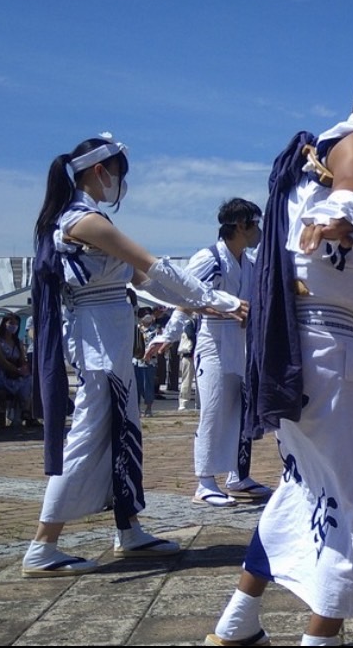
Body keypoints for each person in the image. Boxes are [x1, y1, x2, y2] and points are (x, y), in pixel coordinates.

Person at [206, 54, 353, 646]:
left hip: (305, 344)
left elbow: (341, 277)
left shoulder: (318, 153)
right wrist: (342, 209)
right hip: (329, 352)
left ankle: (237, 621)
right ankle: (320, 638)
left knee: (303, 489)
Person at [28, 134, 246, 579]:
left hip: (108, 342)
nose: (121, 184)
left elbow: (146, 280)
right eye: (119, 174)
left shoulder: (87, 221)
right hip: (98, 346)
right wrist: (219, 302)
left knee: (122, 437)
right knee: (90, 438)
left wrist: (207, 302)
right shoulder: (84, 222)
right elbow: (155, 265)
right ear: (99, 171)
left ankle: (128, 528)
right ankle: (42, 544)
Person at [147, 198, 271, 508]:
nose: (258, 230)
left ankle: (237, 474)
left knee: (241, 412)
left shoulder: (251, 263)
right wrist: (169, 335)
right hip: (213, 343)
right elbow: (186, 298)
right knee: (213, 412)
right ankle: (204, 481)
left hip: (243, 345)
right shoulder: (209, 258)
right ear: (240, 225)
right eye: (254, 224)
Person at [0, 315, 36, 428]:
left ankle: (26, 411)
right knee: (24, 383)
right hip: (3, 374)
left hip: (17, 373)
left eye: (16, 324)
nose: (13, 326)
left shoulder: (18, 342)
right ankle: (26, 411)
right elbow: (2, 362)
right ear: (4, 323)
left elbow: (22, 359)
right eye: (11, 323)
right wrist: (17, 371)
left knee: (30, 380)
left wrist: (23, 368)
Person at [132, 307, 159, 417]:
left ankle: (148, 408)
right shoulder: (135, 330)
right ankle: (136, 408)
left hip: (149, 362)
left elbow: (157, 345)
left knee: (148, 385)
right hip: (135, 361)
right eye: (144, 315)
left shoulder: (155, 330)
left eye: (149, 315)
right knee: (136, 386)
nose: (147, 317)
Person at [176, 315, 198, 411]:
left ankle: (199, 403)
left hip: (196, 354)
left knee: (199, 382)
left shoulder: (195, 321)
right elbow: (190, 335)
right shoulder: (190, 322)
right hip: (189, 354)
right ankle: (183, 403)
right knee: (187, 380)